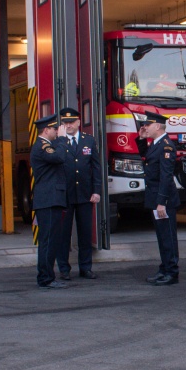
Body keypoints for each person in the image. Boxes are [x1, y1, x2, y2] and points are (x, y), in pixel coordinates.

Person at [55, 108, 103, 279]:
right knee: (63, 235)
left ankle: (86, 267)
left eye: (71, 122)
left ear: (78, 123)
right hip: (65, 195)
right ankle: (64, 269)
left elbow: (96, 168)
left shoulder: (88, 141)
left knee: (85, 233)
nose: (68, 125)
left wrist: (96, 190)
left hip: (85, 194)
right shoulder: (58, 141)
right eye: (65, 122)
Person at [140, 111, 181, 284]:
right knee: (162, 236)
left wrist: (161, 202)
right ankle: (164, 268)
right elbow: (147, 159)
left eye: (147, 125)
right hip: (156, 197)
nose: (144, 128)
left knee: (168, 236)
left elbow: (166, 176)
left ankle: (171, 272)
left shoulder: (166, 146)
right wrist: (141, 139)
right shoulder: (155, 144)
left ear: (157, 126)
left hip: (163, 200)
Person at [29, 114, 69, 289]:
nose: (57, 131)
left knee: (52, 240)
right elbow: (58, 158)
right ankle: (45, 277)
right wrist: (62, 140)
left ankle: (47, 275)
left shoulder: (48, 146)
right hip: (48, 199)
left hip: (52, 198)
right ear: (46, 130)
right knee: (48, 240)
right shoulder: (43, 146)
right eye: (54, 129)